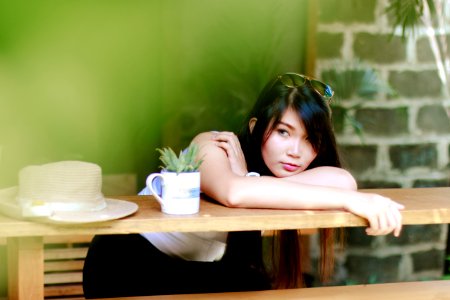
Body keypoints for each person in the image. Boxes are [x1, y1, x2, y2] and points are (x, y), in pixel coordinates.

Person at [83, 72, 403, 298]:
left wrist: (249, 177)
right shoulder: (213, 146)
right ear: (255, 126)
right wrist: (242, 177)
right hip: (129, 265)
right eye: (283, 132)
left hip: (197, 271)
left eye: (310, 139)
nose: (295, 150)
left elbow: (343, 181)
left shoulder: (282, 175)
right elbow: (234, 193)